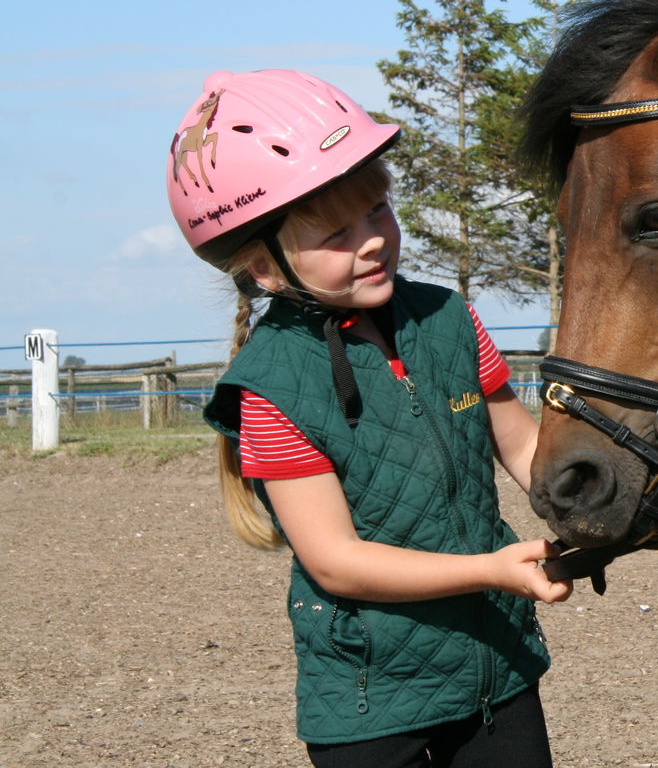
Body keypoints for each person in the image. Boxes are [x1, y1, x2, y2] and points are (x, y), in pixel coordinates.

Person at [165, 68, 570, 767]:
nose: (374, 240)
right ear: (263, 266)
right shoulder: (269, 387)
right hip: (370, 700)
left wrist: (602, 499)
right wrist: (493, 569)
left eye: (378, 212)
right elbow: (339, 563)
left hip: (495, 671)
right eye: (337, 232)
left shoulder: (448, 319)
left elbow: (524, 446)